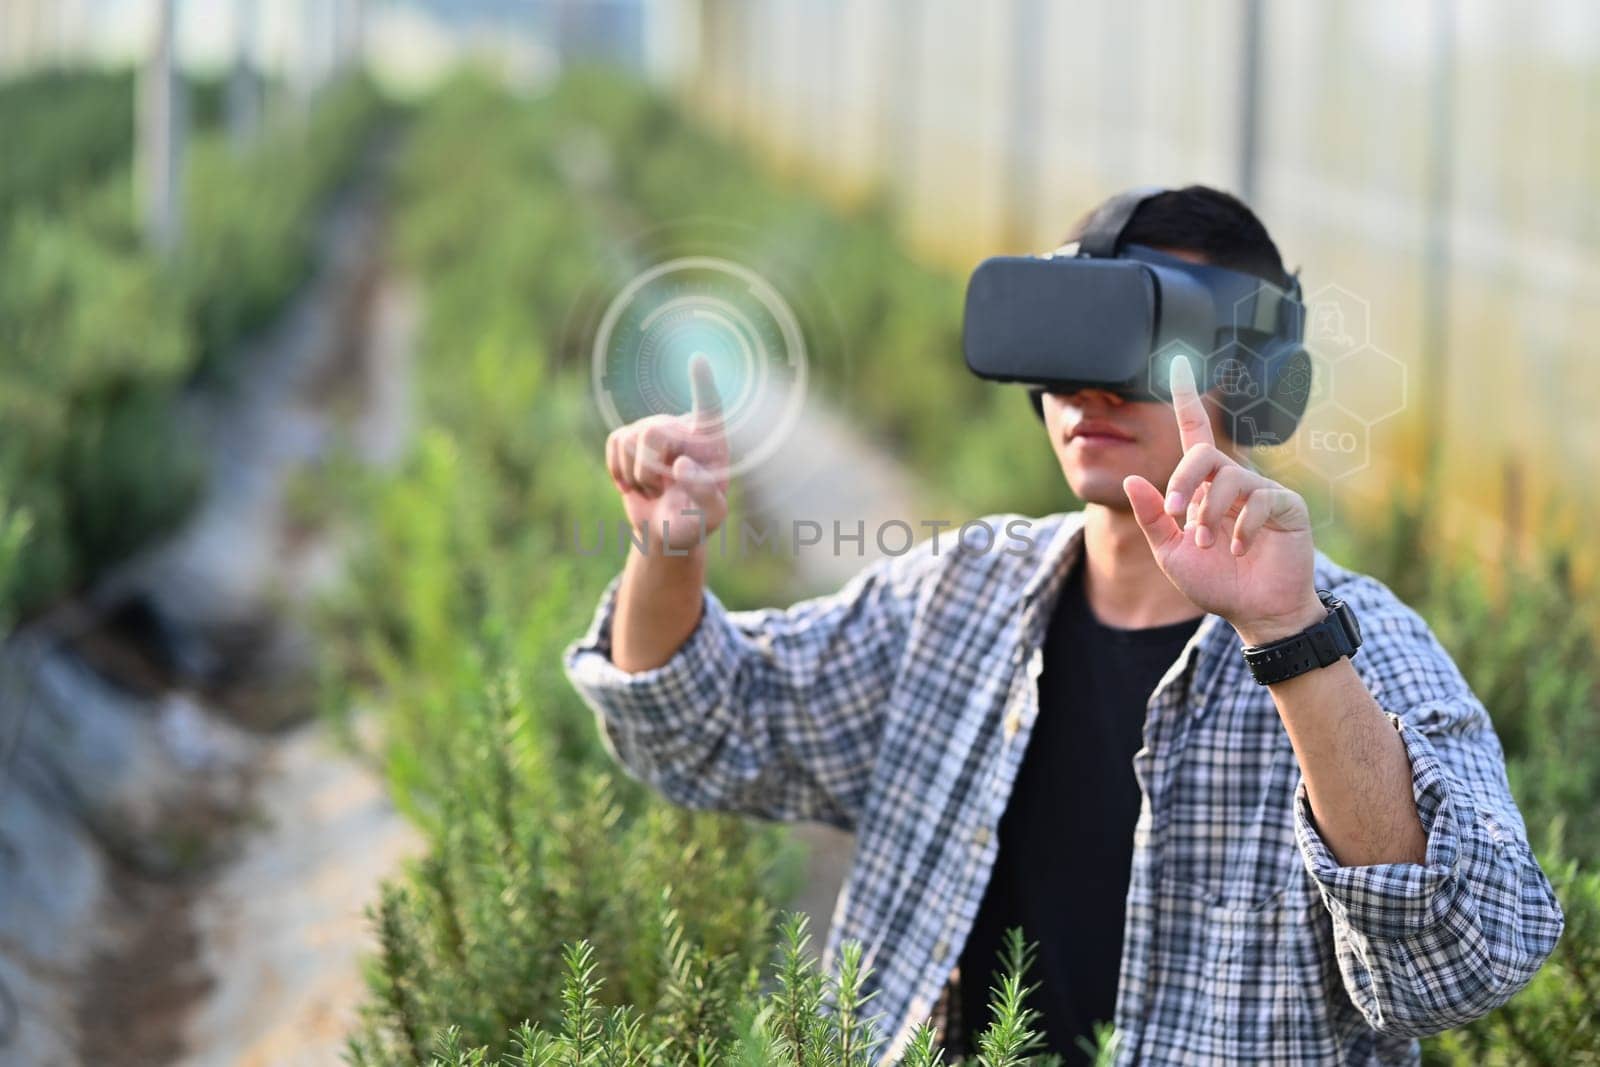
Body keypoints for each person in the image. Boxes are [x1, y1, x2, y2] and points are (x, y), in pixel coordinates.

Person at [561, 186, 1563, 1064]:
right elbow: (699, 726)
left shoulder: (1361, 644)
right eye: (1069, 333)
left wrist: (1288, 635)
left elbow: (1455, 965)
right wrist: (666, 550)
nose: (1090, 384)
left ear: (1259, 377)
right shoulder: (960, 596)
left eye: (1145, 338)